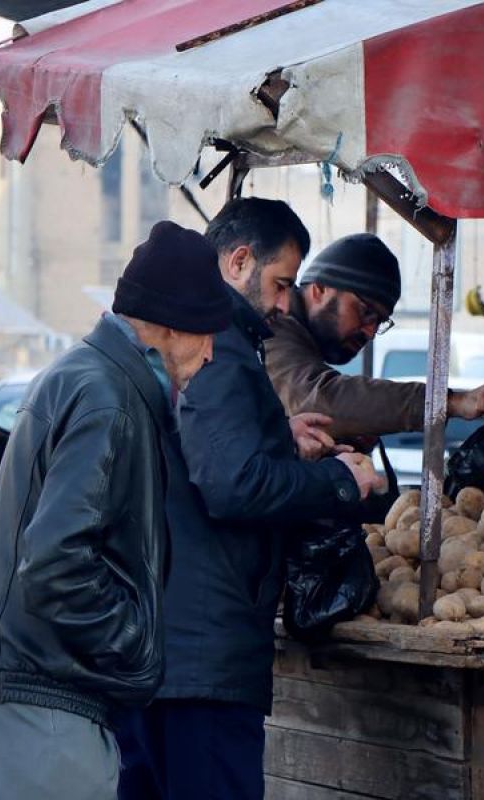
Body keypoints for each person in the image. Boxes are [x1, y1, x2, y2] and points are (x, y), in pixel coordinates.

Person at [0, 222, 234, 800]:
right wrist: (136, 646)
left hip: (31, 699)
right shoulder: (108, 397)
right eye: (207, 333)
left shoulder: (93, 379)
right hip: (40, 709)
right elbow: (55, 563)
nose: (213, 351)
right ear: (171, 324)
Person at [115, 198, 382, 800]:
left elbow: (198, 453)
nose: (286, 304)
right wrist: (341, 480)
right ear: (238, 261)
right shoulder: (221, 348)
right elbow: (231, 486)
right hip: (202, 658)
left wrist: (276, 436)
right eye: (281, 283)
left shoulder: (190, 346)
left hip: (165, 651)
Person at [265, 233, 484, 445]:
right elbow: (320, 399)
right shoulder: (273, 326)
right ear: (319, 290)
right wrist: (452, 401)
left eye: (379, 322)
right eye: (365, 312)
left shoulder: (298, 337)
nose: (369, 332)